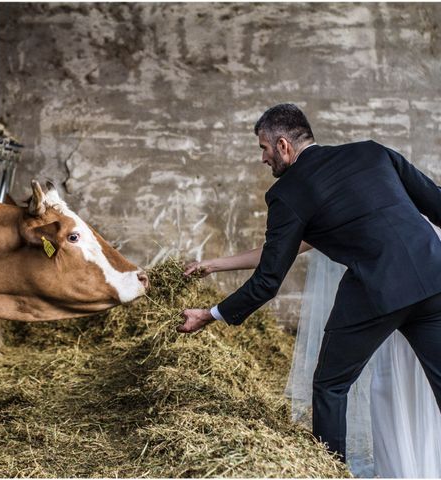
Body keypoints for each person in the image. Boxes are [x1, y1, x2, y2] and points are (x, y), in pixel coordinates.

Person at [176, 103, 441, 466]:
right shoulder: (372, 152)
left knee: (331, 386)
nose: (263, 159)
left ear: (283, 145)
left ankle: (328, 472)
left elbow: (269, 280)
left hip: (376, 291)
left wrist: (211, 314)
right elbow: (437, 205)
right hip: (434, 278)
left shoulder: (289, 193)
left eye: (263, 148)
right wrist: (215, 265)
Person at [184, 236, 441, 476]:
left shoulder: (331, 192)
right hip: (420, 289)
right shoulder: (379, 192)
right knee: (391, 385)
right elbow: (288, 247)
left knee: (340, 385)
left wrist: (211, 312)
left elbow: (280, 256)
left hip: (397, 294)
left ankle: (336, 471)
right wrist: (215, 264)